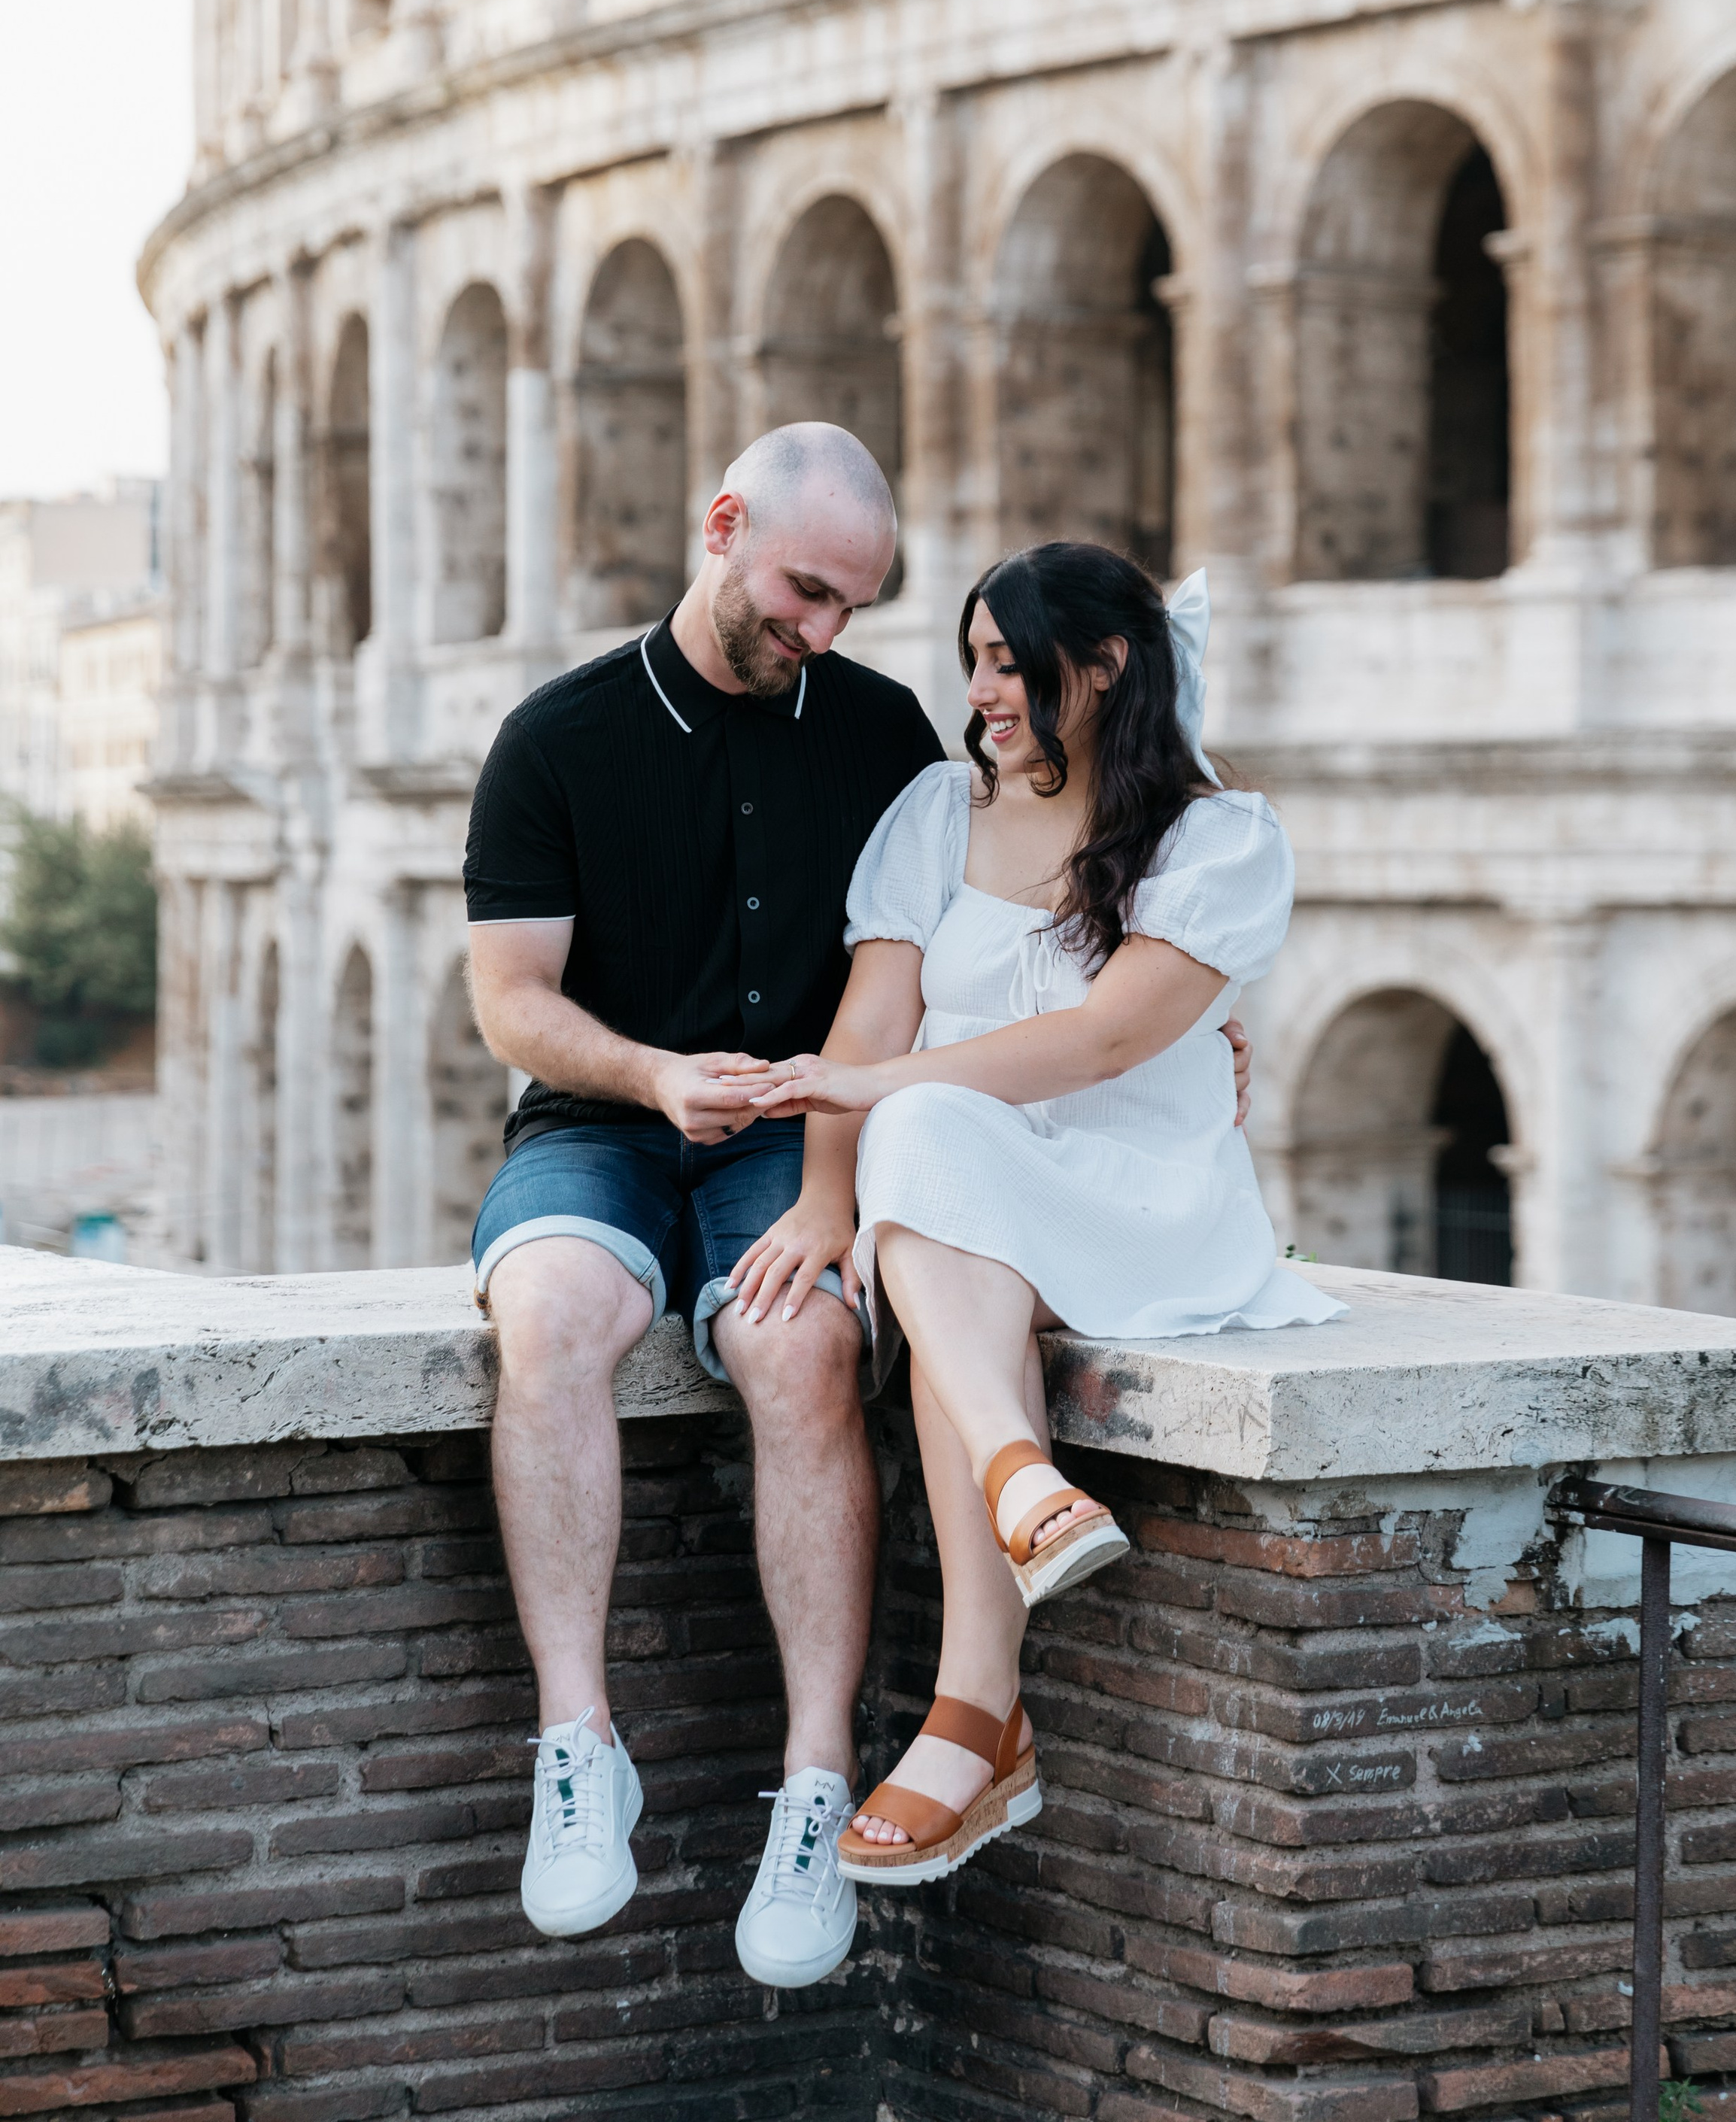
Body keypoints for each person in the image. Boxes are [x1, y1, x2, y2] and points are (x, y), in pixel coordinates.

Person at [461, 425, 1260, 1978]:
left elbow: (1016, 917)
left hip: (805, 1127)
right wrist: (648, 1074)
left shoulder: (889, 734)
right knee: (551, 1319)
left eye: (851, 608)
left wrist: (1186, 1030)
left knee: (808, 1350)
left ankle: (819, 1781)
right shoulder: (553, 737)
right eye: (804, 593)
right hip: (608, 1117)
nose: (821, 634)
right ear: (720, 529)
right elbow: (511, 1001)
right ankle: (579, 1748)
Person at [733, 541, 1343, 1886]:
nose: (981, 690)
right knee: (945, 1199)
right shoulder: (934, 815)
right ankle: (1012, 1535)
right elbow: (870, 1017)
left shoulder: (1219, 836)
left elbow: (1101, 1045)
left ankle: (981, 1703)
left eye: (1008, 661)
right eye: (974, 661)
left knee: (931, 1139)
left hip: (1142, 1199)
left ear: (1106, 667)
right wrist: (826, 1199)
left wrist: (878, 1102)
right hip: (961, 1208)